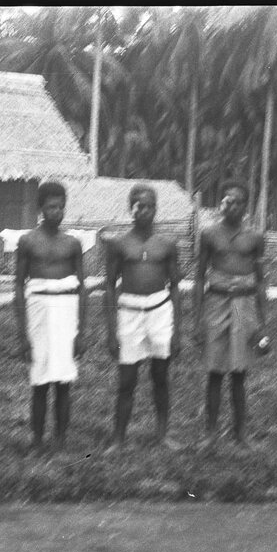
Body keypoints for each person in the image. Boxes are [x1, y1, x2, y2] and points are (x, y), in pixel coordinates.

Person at [103, 185, 183, 453]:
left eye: (149, 206)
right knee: (127, 380)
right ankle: (118, 439)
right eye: (138, 205)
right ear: (131, 209)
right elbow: (111, 286)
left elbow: (174, 286)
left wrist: (177, 332)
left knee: (160, 376)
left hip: (160, 311)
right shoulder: (118, 244)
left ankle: (162, 435)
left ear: (156, 209)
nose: (144, 210)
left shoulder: (167, 244)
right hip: (129, 312)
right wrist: (111, 330)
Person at [193, 180, 268, 448]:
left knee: (239, 374)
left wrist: (262, 324)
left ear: (245, 207)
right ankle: (210, 433)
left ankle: (241, 433)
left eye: (237, 202)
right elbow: (200, 277)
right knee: (214, 372)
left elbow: (260, 281)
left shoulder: (255, 237)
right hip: (216, 302)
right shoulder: (209, 234)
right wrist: (197, 320)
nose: (231, 206)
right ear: (220, 204)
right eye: (227, 201)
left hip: (243, 306)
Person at [14, 182, 87, 451]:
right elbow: (19, 287)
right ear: (41, 209)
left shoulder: (73, 243)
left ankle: (61, 438)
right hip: (38, 313)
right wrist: (22, 335)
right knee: (40, 381)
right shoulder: (28, 241)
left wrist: (81, 332)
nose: (56, 212)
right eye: (50, 207)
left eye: (60, 207)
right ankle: (36, 439)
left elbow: (82, 288)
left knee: (64, 381)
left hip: (66, 312)